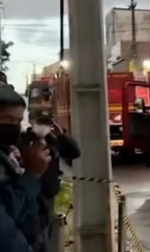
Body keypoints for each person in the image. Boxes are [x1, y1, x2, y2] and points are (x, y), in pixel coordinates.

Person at [0, 86, 51, 251]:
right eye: (7, 120)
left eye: (18, 121)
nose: (14, 127)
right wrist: (32, 174)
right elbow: (11, 209)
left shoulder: (12, 149)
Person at [26, 115, 80, 252]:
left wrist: (61, 135)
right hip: (31, 194)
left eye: (47, 124)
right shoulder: (25, 140)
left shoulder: (53, 140)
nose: (43, 127)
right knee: (36, 233)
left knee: (47, 229)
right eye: (40, 123)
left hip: (48, 194)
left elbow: (74, 152)